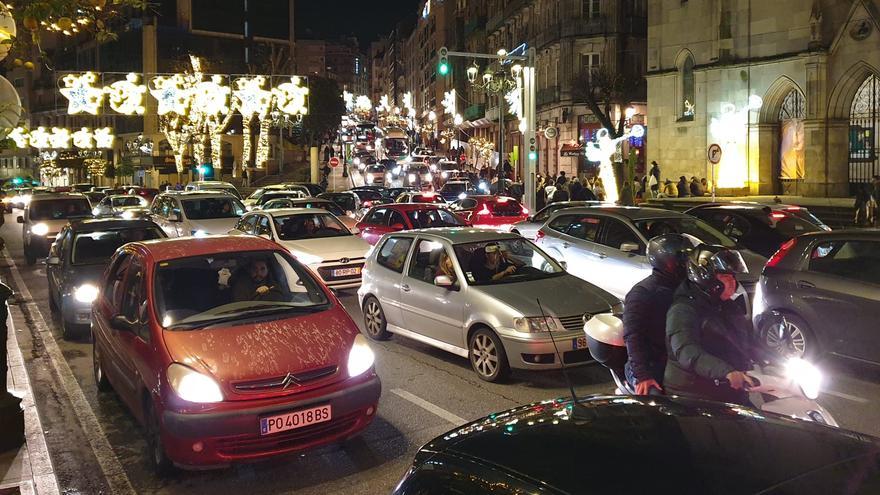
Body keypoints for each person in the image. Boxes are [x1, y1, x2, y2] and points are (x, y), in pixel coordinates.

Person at [664, 245, 756, 406]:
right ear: (705, 277)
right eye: (725, 277)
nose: (733, 283)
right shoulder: (682, 310)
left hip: (725, 388)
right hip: (692, 393)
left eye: (733, 277)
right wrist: (726, 371)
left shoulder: (726, 305)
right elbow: (687, 352)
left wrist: (773, 356)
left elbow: (744, 337)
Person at [623, 234, 694, 395]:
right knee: (660, 406)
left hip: (679, 361)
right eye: (683, 259)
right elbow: (633, 336)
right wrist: (642, 375)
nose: (687, 263)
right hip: (651, 364)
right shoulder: (643, 293)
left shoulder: (688, 288)